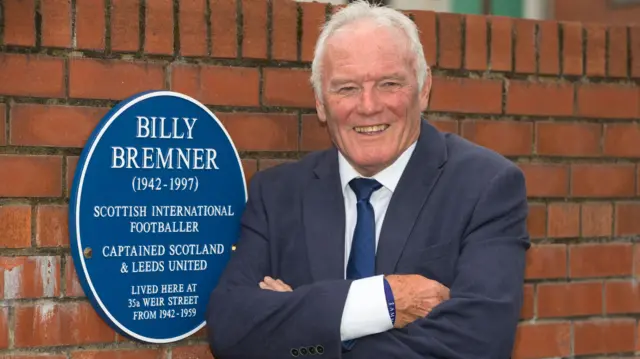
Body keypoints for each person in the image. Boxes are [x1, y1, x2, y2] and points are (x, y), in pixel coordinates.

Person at [205, 1, 530, 358]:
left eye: (389, 83)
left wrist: (301, 327)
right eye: (346, 88)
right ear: (320, 103)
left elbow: (479, 343)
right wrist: (382, 304)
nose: (369, 105)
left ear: (423, 90)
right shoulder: (276, 194)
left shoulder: (486, 186)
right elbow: (231, 329)